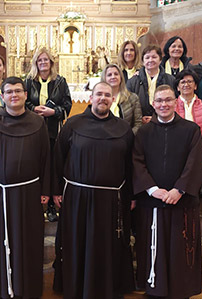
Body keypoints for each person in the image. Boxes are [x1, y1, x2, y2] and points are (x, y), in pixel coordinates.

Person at [0, 76, 50, 299]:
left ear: (25, 95)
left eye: (18, 91)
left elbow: (46, 158)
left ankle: (28, 289)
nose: (14, 95)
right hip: (0, 193)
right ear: (2, 97)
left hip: (30, 193)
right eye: (9, 92)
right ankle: (0, 289)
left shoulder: (38, 122)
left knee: (29, 241)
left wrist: (46, 190)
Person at [52, 82, 135, 298]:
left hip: (111, 201)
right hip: (77, 198)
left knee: (107, 247)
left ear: (113, 99)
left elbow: (130, 165)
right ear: (91, 97)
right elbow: (58, 158)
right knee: (78, 243)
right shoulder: (72, 124)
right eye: (99, 94)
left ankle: (107, 287)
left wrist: (131, 195)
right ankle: (77, 287)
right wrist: (56, 191)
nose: (103, 98)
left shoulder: (123, 129)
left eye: (107, 95)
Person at [132, 84, 202, 299]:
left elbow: (196, 162)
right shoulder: (143, 132)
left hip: (181, 202)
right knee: (154, 246)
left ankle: (181, 289)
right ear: (153, 104)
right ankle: (155, 288)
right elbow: (137, 162)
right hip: (152, 202)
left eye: (168, 100)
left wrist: (179, 189)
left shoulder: (191, 130)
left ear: (176, 102)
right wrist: (152, 189)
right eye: (159, 101)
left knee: (179, 248)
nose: (164, 104)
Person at [25, 47, 72, 222]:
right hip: (33, 129)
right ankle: (37, 200)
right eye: (40, 60)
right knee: (37, 164)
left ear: (51, 63)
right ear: (36, 63)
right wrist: (33, 109)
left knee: (53, 165)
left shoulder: (60, 81)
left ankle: (52, 202)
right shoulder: (29, 81)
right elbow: (25, 101)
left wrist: (54, 112)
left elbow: (68, 104)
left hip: (53, 129)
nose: (43, 63)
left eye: (46, 60)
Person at [174, 69, 202, 198]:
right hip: (177, 156)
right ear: (178, 86)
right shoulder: (172, 105)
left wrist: (197, 149)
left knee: (196, 194)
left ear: (196, 85)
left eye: (190, 82)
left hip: (201, 156)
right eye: (183, 82)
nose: (186, 84)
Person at [127, 45, 175, 124]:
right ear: (143, 61)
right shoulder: (132, 81)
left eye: (154, 57)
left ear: (160, 60)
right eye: (147, 57)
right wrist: (139, 119)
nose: (150, 60)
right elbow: (129, 106)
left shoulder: (170, 80)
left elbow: (174, 102)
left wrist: (156, 118)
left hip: (164, 122)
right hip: (140, 123)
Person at [101, 63, 143, 133]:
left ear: (121, 77)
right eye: (109, 75)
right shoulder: (101, 99)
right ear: (104, 78)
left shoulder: (133, 98)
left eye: (116, 74)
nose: (113, 77)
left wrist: (127, 137)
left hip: (126, 139)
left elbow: (138, 124)